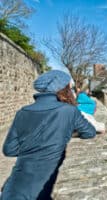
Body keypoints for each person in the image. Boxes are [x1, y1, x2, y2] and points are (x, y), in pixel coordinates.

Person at [0, 70, 96, 200]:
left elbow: (9, 150)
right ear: (64, 89)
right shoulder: (68, 111)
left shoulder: (22, 112)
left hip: (12, 190)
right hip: (41, 191)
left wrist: (32, 147)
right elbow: (89, 132)